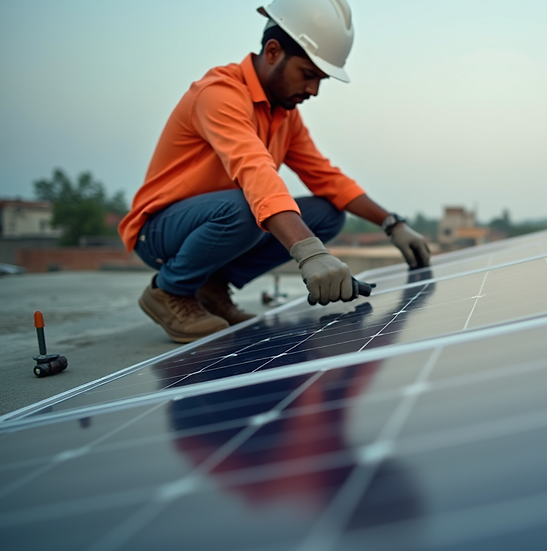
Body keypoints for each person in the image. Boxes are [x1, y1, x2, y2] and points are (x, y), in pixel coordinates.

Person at [117, 0, 431, 344]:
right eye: (308, 75)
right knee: (248, 205)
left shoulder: (284, 115)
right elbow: (254, 171)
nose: (313, 90)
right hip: (160, 231)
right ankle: (169, 291)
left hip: (220, 219)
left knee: (327, 213)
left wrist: (392, 224)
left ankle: (211, 288)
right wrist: (309, 252)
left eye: (320, 79)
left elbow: (325, 177)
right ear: (272, 51)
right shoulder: (219, 94)